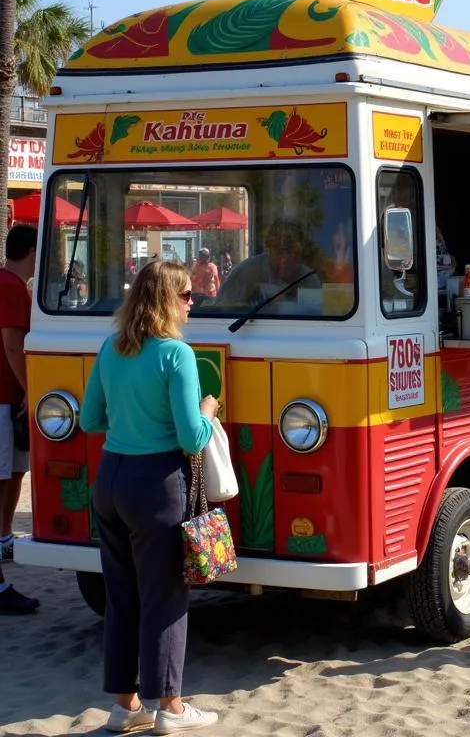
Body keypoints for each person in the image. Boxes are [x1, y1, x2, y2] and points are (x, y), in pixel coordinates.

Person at [80, 260, 219, 733]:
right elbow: (190, 436)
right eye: (185, 295)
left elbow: (89, 420)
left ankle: (125, 705)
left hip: (111, 478)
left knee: (122, 596)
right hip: (157, 482)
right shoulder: (176, 355)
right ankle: (171, 708)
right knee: (165, 599)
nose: (191, 302)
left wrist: (129, 420)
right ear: (167, 301)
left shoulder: (112, 347)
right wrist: (208, 410)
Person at [0, 224, 39, 614]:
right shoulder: (11, 288)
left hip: (7, 398)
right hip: (4, 397)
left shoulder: (14, 286)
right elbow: (13, 344)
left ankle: (4, 536)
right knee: (3, 476)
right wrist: (30, 387)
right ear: (32, 250)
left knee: (14, 472)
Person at [217, 220, 321, 305]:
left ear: (300, 254)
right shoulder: (246, 272)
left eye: (292, 252)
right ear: (268, 250)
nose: (285, 258)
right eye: (280, 251)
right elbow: (221, 307)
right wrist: (254, 291)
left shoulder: (309, 279)